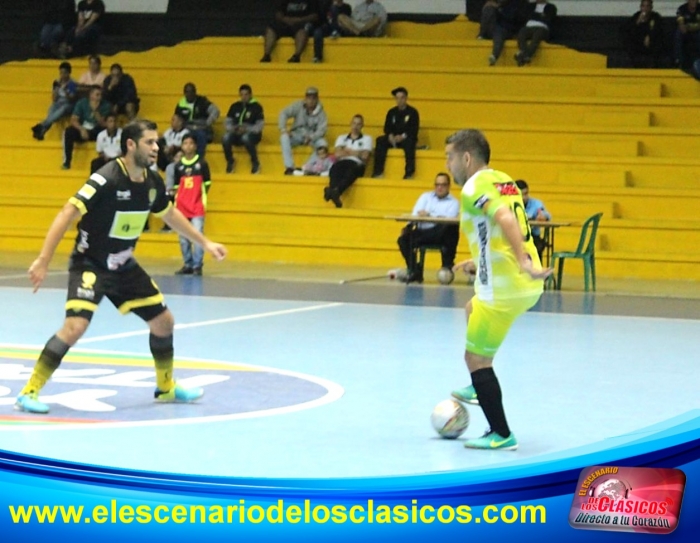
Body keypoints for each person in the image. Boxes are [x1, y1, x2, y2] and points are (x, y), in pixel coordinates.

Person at [14, 119, 228, 415]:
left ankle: (166, 388)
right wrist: (43, 259)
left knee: (164, 321)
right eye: (150, 142)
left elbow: (170, 214)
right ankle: (29, 391)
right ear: (131, 145)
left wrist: (205, 243)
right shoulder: (107, 178)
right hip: (91, 264)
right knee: (75, 326)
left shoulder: (152, 182)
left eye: (157, 142)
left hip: (123, 265)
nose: (156, 148)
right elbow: (68, 213)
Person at [444, 129, 551, 450]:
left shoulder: (474, 185)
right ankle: (480, 386)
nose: (448, 166)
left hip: (505, 288)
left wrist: (522, 261)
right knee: (470, 308)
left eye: (450, 158)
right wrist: (478, 260)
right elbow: (497, 226)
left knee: (475, 359)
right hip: (522, 286)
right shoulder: (504, 180)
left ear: (466, 157)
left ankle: (501, 434)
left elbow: (505, 218)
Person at [397, 173, 460, 284]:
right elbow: (416, 213)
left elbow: (448, 219)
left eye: (443, 185)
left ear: (449, 186)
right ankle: (414, 270)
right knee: (403, 239)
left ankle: (447, 265)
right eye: (437, 185)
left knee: (450, 228)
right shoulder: (425, 197)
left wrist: (429, 215)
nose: (439, 187)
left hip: (440, 234)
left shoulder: (453, 202)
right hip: (422, 232)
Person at [171, 134, 212, 276]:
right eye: (185, 143)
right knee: (183, 238)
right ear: (182, 146)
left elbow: (207, 184)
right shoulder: (178, 166)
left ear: (195, 146)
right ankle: (187, 264)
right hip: (181, 207)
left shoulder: (202, 164)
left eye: (191, 143)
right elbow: (177, 186)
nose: (188, 146)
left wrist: (199, 197)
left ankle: (197, 265)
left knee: (197, 235)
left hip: (197, 207)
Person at [323, 114, 372, 208]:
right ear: (350, 124)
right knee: (334, 168)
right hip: (342, 163)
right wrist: (357, 152)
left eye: (358, 124)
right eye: (354, 123)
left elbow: (365, 156)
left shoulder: (367, 139)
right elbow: (337, 154)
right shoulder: (342, 137)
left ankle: (333, 191)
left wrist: (346, 151)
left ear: (362, 126)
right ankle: (335, 191)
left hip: (357, 164)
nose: (355, 126)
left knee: (351, 171)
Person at [371, 86, 420, 180]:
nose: (399, 100)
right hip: (393, 139)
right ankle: (378, 171)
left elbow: (414, 129)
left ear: (406, 98)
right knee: (380, 141)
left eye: (402, 97)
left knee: (410, 143)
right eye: (397, 98)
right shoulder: (391, 112)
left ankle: (409, 173)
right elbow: (387, 127)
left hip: (406, 138)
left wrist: (402, 136)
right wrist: (390, 135)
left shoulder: (413, 112)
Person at [278, 86, 328, 174]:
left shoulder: (322, 113)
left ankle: (307, 167)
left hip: (312, 137)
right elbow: (283, 113)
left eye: (313, 98)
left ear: (317, 99)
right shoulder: (298, 105)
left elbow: (321, 130)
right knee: (284, 137)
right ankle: (289, 167)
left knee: (323, 144)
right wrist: (283, 129)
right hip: (297, 134)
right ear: (305, 98)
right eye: (309, 98)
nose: (311, 101)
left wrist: (311, 137)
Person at [62, 85, 111, 170]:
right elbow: (73, 119)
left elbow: (103, 123)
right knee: (69, 131)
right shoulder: (82, 103)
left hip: (96, 131)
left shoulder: (106, 105)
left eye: (100, 95)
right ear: (91, 95)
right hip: (84, 129)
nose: (99, 97)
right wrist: (81, 129)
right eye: (97, 95)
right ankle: (67, 162)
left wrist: (95, 111)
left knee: (105, 131)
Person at [222, 84, 265, 174]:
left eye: (246, 94)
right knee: (225, 138)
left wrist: (247, 129)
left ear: (250, 95)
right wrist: (234, 129)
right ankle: (230, 161)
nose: (244, 97)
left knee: (246, 138)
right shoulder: (235, 106)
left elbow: (259, 126)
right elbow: (227, 122)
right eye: (242, 94)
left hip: (252, 134)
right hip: (236, 132)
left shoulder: (257, 107)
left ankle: (255, 162)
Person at [31, 61, 78, 141]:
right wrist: (56, 90)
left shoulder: (72, 83)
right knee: (52, 107)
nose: (62, 75)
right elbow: (54, 99)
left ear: (69, 73)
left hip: (69, 104)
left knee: (63, 108)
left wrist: (65, 89)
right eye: (61, 73)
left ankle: (41, 125)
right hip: (58, 102)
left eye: (64, 73)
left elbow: (72, 99)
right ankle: (42, 130)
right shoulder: (56, 82)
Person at [174, 82, 220, 158]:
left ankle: (199, 159)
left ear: (195, 92)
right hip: (187, 128)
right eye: (187, 92)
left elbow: (215, 111)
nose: (190, 94)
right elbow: (176, 118)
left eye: (192, 91)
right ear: (184, 93)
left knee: (200, 135)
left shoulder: (202, 101)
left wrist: (207, 123)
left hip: (202, 128)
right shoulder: (181, 104)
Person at [515, 180, 551, 262]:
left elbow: (547, 215)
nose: (524, 197)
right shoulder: (510, 204)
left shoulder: (536, 203)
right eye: (521, 194)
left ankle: (538, 270)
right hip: (515, 236)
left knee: (538, 245)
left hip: (533, 236)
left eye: (526, 194)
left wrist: (543, 216)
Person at [514, 0, 557, 67]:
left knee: (537, 36)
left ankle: (523, 55)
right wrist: (540, 15)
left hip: (542, 27)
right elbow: (526, 16)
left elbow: (548, 19)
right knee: (521, 33)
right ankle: (526, 56)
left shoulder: (551, 7)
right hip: (529, 26)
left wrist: (534, 15)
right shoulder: (530, 6)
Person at [624, 0, 666, 68]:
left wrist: (650, 36)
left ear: (651, 7)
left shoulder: (655, 17)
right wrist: (637, 22)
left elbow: (659, 30)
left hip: (652, 44)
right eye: (643, 6)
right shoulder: (636, 16)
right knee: (629, 43)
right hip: (639, 44)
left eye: (647, 6)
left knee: (659, 43)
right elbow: (629, 31)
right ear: (640, 7)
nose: (645, 8)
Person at [675, 0, 700, 69]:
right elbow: (681, 25)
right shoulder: (682, 9)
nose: (693, 1)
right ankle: (678, 60)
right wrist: (693, 26)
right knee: (678, 33)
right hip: (686, 33)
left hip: (697, 33)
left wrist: (690, 27)